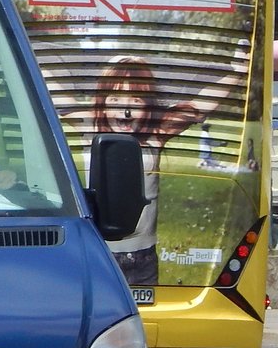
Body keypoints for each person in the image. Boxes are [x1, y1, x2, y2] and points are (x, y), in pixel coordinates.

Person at [76, 54, 234, 285]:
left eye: (136, 101)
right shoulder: (90, 128)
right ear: (103, 103)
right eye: (115, 100)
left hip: (143, 257)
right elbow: (52, 95)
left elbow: (199, 108)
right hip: (100, 254)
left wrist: (238, 71)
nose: (125, 111)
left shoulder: (154, 137)